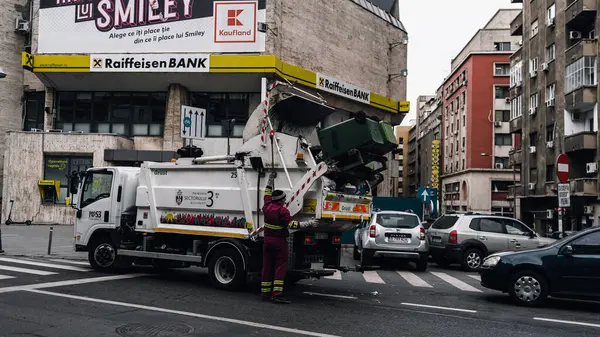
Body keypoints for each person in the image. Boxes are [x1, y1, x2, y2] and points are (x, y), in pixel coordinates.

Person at [261, 170, 318, 304]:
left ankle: (265, 292)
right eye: (284, 199)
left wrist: (270, 179)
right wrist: (309, 223)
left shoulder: (266, 206)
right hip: (279, 242)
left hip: (267, 241)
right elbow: (292, 225)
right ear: (280, 200)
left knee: (267, 266)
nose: (285, 200)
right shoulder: (282, 211)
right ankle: (277, 294)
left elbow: (267, 193)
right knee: (280, 266)